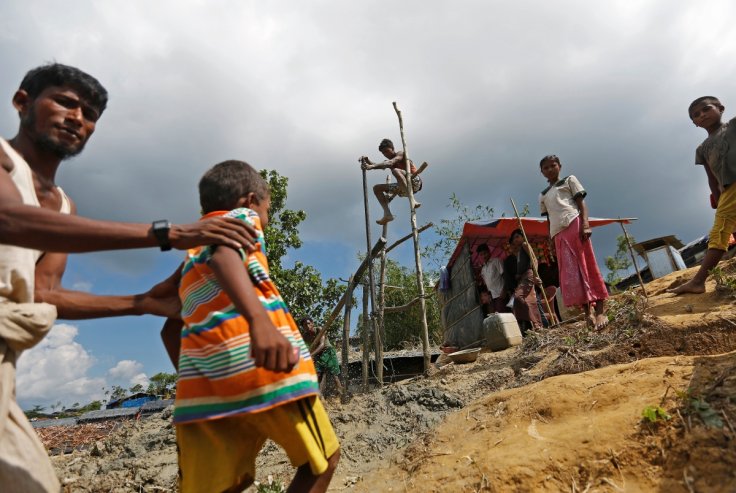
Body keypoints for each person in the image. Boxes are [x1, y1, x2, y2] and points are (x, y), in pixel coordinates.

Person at [0, 63, 257, 493]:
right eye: (64, 101)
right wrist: (170, 234)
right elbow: (9, 220)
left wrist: (142, 303)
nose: (77, 117)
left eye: (90, 113)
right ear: (22, 102)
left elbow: (45, 294)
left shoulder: (64, 206)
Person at [173, 160, 340, 493]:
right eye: (268, 210)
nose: (265, 220)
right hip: (266, 369)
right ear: (251, 200)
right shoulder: (239, 220)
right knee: (322, 460)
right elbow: (225, 256)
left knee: (224, 485)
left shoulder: (192, 253)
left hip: (205, 390)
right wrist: (260, 323)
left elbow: (169, 318)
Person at [670, 97, 736, 295]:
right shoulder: (702, 149)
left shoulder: (733, 126)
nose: (702, 115)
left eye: (706, 109)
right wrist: (717, 197)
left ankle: (698, 281)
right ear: (694, 123)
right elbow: (711, 176)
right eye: (696, 115)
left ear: (721, 108)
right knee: (727, 228)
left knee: (719, 233)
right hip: (727, 191)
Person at [539, 154, 608, 328]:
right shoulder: (543, 195)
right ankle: (587, 312)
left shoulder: (570, 180)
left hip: (573, 223)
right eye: (545, 168)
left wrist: (585, 224)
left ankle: (600, 310)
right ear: (542, 172)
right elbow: (549, 219)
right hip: (558, 234)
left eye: (552, 165)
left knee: (586, 265)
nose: (549, 169)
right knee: (571, 274)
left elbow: (581, 204)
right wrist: (550, 239)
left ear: (559, 166)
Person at [360, 138, 422, 225]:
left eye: (387, 151)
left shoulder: (400, 154)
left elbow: (390, 163)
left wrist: (372, 166)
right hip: (402, 188)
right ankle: (387, 214)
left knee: (396, 170)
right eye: (383, 153)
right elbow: (380, 165)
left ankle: (412, 200)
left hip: (414, 181)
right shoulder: (388, 162)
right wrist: (367, 161)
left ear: (392, 148)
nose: (386, 154)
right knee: (377, 188)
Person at [503, 229, 542, 333]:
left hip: (528, 275)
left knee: (518, 297)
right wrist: (519, 274)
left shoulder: (525, 244)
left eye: (517, 237)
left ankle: (533, 322)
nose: (515, 240)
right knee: (530, 301)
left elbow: (534, 260)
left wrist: (534, 275)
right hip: (524, 276)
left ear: (522, 237)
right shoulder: (520, 250)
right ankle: (536, 325)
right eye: (514, 238)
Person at [299, 316, 344, 395]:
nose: (307, 326)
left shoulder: (319, 330)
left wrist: (310, 355)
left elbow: (322, 345)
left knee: (334, 375)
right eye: (304, 325)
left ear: (312, 324)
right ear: (303, 327)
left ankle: (341, 393)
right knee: (318, 374)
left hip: (328, 352)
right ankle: (320, 396)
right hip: (318, 354)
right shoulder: (305, 336)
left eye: (308, 324)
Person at [476, 244, 506, 314]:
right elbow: (487, 284)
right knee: (496, 317)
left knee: (503, 315)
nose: (483, 256)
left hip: (500, 294)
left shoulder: (496, 261)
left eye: (485, 253)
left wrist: (504, 290)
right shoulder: (483, 269)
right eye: (481, 254)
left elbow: (505, 276)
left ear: (489, 252)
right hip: (492, 297)